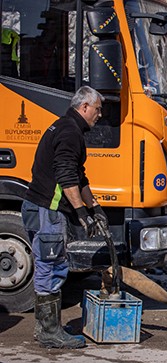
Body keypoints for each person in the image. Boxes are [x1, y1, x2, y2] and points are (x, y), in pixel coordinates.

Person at [21, 86, 110, 349]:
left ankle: (44, 327)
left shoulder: (63, 127)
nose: (100, 115)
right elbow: (66, 176)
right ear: (84, 107)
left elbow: (79, 176)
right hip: (48, 210)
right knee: (52, 266)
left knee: (47, 266)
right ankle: (50, 332)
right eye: (97, 109)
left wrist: (95, 208)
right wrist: (81, 213)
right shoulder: (70, 132)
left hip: (36, 206)